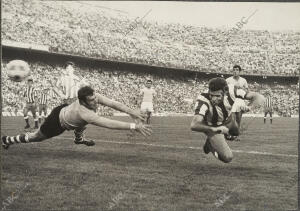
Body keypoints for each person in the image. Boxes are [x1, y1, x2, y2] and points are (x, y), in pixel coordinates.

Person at [2, 86, 152, 150]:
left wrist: (132, 112)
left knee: (82, 123)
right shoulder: (84, 112)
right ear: (82, 101)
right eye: (91, 100)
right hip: (57, 123)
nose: (95, 101)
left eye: (94, 98)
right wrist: (134, 126)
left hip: (65, 110)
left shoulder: (93, 98)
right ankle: (7, 140)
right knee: (36, 137)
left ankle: (78, 139)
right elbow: (108, 123)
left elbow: (114, 103)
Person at [190, 77, 264, 163]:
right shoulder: (203, 99)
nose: (213, 99)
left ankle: (220, 136)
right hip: (212, 126)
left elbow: (259, 97)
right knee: (227, 158)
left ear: (225, 92)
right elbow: (194, 125)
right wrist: (215, 129)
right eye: (211, 95)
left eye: (217, 96)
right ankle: (210, 144)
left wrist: (249, 107)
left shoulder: (232, 90)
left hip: (227, 120)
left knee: (236, 133)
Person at [226, 65, 249, 141]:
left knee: (238, 119)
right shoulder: (228, 80)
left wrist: (240, 88)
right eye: (234, 70)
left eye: (237, 70)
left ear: (239, 71)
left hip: (240, 101)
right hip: (231, 100)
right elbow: (224, 90)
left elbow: (247, 91)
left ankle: (236, 136)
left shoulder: (243, 80)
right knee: (231, 119)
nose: (235, 71)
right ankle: (228, 134)